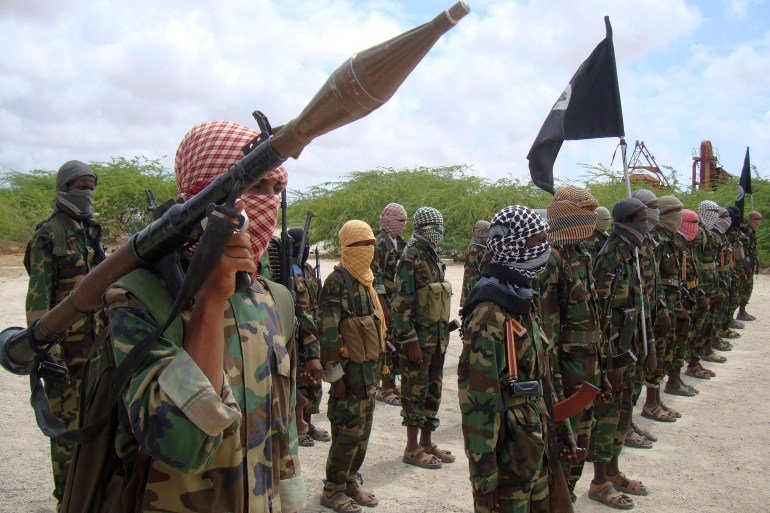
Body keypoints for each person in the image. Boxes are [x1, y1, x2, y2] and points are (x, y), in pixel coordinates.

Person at [104, 120, 304, 512]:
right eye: (254, 187)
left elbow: (284, 426)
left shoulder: (272, 298)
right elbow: (179, 442)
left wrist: (292, 498)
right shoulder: (140, 297)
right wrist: (211, 301)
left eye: (276, 189)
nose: (267, 202)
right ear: (202, 197)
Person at [458, 205, 553, 512]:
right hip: (508, 449)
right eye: (536, 239)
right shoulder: (490, 311)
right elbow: (478, 403)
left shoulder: (521, 296)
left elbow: (539, 373)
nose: (543, 247)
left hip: (532, 438)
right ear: (516, 245)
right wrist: (484, 478)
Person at [24, 160, 106, 507]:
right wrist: (46, 353)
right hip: (62, 354)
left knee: (97, 425)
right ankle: (67, 500)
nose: (86, 193)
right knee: (67, 432)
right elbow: (38, 301)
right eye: (79, 187)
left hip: (95, 347)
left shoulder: (90, 230)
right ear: (63, 189)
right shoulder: (49, 234)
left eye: (91, 186)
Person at [588, 197, 653, 510]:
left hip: (632, 346)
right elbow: (600, 312)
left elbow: (638, 305)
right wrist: (610, 359)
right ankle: (599, 480)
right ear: (626, 221)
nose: (646, 222)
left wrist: (647, 345)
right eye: (642, 217)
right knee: (608, 414)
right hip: (615, 351)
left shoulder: (633, 254)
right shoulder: (610, 257)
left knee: (624, 411)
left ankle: (613, 471)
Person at [537, 186, 602, 498]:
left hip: (589, 365)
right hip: (567, 369)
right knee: (565, 443)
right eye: (587, 211)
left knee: (582, 440)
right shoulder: (552, 261)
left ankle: (568, 494)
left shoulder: (582, 255)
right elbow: (547, 334)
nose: (593, 218)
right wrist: (556, 386)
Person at [318, 220, 385, 513]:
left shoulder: (366, 278)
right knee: (346, 434)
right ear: (347, 246)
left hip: (369, 373)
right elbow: (328, 331)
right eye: (361, 244)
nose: (367, 250)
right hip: (348, 374)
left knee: (363, 432)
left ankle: (350, 481)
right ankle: (332, 488)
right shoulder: (337, 281)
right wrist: (335, 376)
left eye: (371, 244)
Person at [392, 206, 455, 469]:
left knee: (433, 391)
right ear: (420, 228)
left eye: (439, 226)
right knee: (414, 393)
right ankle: (411, 447)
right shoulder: (411, 257)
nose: (438, 232)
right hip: (419, 341)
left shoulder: (432, 255)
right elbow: (401, 304)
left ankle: (427, 442)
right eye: (433, 227)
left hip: (437, 338)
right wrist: (410, 342)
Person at [642, 195, 685, 421]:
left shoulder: (671, 240)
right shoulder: (655, 240)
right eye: (676, 213)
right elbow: (653, 279)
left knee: (666, 353)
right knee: (656, 355)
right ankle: (650, 403)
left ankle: (656, 400)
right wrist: (661, 310)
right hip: (657, 311)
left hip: (668, 306)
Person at [288, 227, 329, 447]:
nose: (303, 250)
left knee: (314, 382)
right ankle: (297, 424)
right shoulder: (286, 272)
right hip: (297, 334)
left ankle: (310, 422)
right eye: (300, 246)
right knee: (299, 381)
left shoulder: (307, 270)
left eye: (306, 245)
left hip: (314, 332)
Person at [371, 202, 407, 407]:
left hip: (397, 301)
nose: (402, 225)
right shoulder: (379, 244)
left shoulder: (398, 242)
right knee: (387, 343)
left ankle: (392, 384)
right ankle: (385, 387)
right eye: (399, 221)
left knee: (397, 342)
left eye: (405, 221)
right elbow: (376, 278)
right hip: (384, 302)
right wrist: (384, 307)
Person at [664, 208, 701, 396]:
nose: (696, 227)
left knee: (681, 341)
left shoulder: (685, 243)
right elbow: (673, 279)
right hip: (677, 303)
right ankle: (672, 380)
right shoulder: (675, 243)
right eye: (692, 223)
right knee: (675, 344)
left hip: (686, 298)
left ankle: (676, 378)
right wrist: (679, 304)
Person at [736, 211, 762, 321]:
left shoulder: (752, 232)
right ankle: (739, 312)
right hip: (744, 267)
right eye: (757, 220)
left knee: (748, 289)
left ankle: (742, 310)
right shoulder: (745, 232)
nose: (759, 223)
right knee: (742, 289)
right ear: (751, 220)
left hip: (749, 266)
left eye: (760, 220)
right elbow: (743, 251)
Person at [460, 220, 491, 307]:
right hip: (473, 292)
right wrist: (475, 296)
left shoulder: (482, 247)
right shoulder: (474, 249)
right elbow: (472, 275)